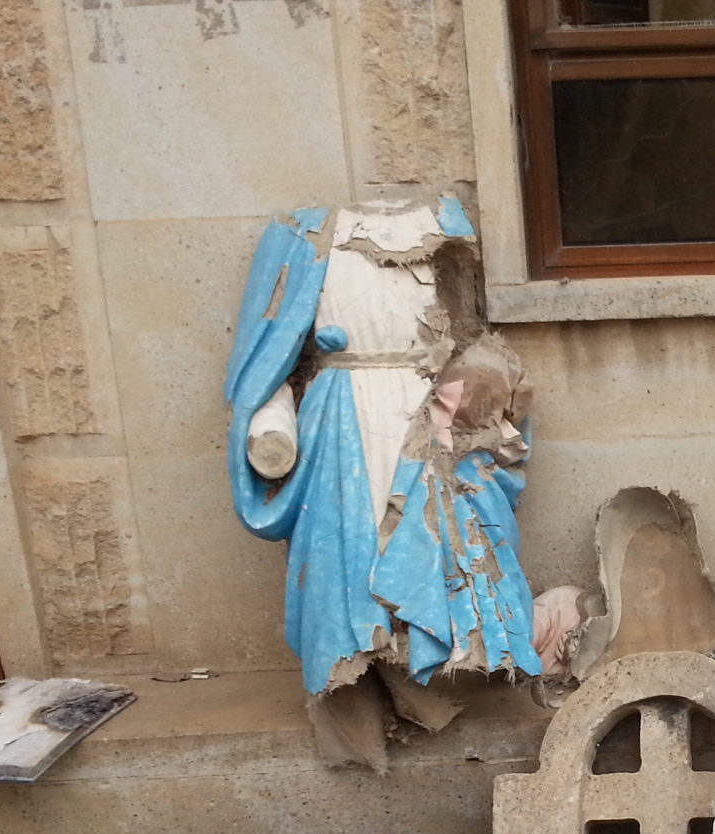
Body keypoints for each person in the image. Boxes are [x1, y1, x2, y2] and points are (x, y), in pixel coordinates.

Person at [222, 197, 539, 770]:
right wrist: (271, 424)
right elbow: (267, 358)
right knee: (352, 554)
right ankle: (363, 684)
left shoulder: (441, 228)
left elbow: (466, 333)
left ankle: (419, 671)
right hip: (342, 421)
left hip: (425, 415)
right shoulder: (306, 237)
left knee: (432, 545)